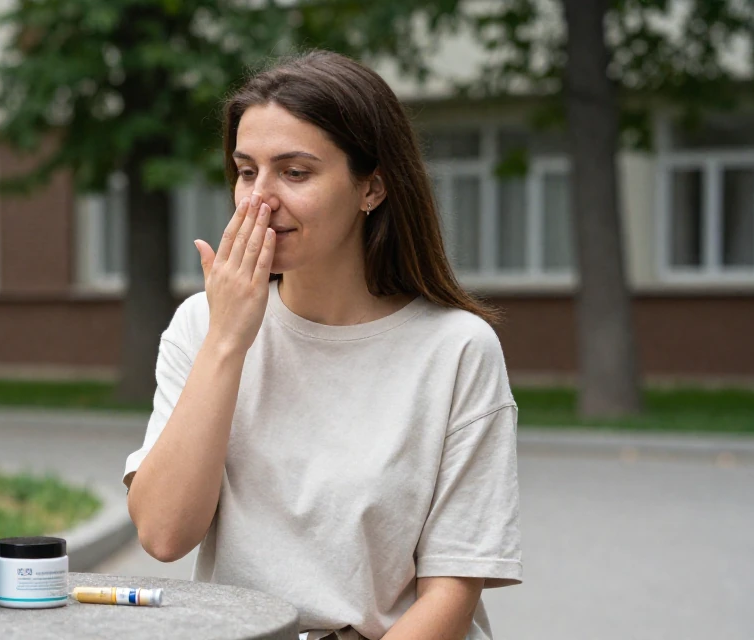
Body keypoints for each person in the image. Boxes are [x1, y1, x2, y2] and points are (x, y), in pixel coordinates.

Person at [122, 50, 523, 640]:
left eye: (296, 172)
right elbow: (163, 534)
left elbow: (452, 593)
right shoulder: (202, 325)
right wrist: (228, 341)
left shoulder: (458, 349)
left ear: (372, 188)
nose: (260, 198)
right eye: (246, 170)